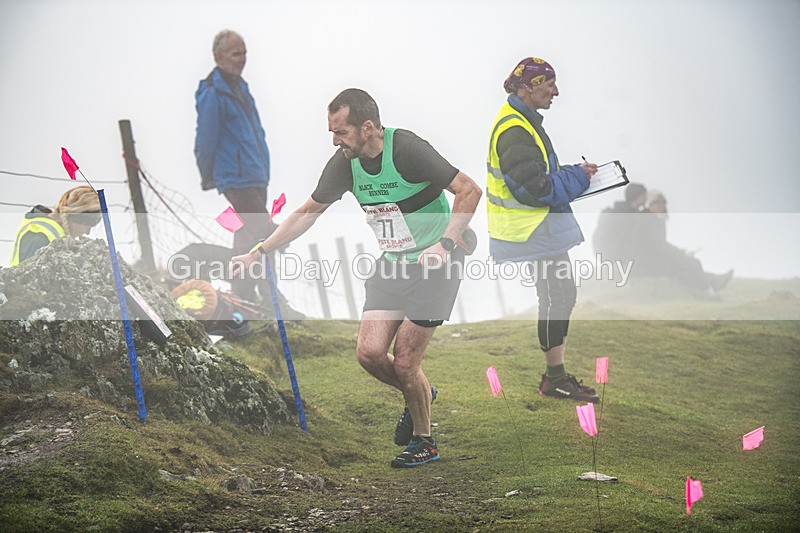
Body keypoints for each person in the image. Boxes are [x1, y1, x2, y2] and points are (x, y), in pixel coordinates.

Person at [232, 88, 481, 468]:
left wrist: (445, 244)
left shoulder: (407, 149)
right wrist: (260, 250)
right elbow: (307, 211)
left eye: (341, 132)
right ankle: (421, 395)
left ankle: (424, 440)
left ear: (368, 127)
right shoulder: (344, 164)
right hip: (393, 263)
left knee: (405, 362)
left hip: (438, 264)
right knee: (369, 354)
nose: (335, 141)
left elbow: (469, 190)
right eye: (332, 132)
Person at [486, 57, 600, 403]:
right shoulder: (516, 129)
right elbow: (537, 189)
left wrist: (574, 171)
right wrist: (577, 178)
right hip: (531, 229)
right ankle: (554, 379)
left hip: (538, 229)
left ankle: (557, 376)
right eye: (549, 84)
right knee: (556, 297)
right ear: (528, 87)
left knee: (560, 295)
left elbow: (539, 173)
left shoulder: (524, 122)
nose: (556, 91)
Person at [194, 29, 275, 301]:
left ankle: (244, 296)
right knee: (263, 229)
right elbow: (205, 137)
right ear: (218, 56)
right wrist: (208, 175)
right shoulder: (212, 91)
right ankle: (266, 296)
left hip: (255, 174)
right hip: (235, 177)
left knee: (246, 235)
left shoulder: (241, 87)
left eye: (244, 53)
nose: (242, 59)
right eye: (235, 53)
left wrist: (263, 167)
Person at [631, 190, 733, 298]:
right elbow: (658, 245)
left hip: (655, 259)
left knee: (686, 269)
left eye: (663, 203)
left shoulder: (657, 220)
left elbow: (660, 245)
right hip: (646, 263)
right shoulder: (646, 221)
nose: (660, 205)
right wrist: (682, 253)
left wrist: (680, 253)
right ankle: (708, 291)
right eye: (657, 202)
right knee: (693, 263)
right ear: (650, 204)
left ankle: (713, 283)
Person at [9, 185, 101, 267]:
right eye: (87, 225)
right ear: (75, 217)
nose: (87, 232)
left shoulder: (56, 233)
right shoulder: (40, 236)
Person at [593, 182, 647, 262]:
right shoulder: (624, 216)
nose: (646, 198)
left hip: (611, 258)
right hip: (618, 259)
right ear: (637, 196)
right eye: (644, 196)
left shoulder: (620, 212)